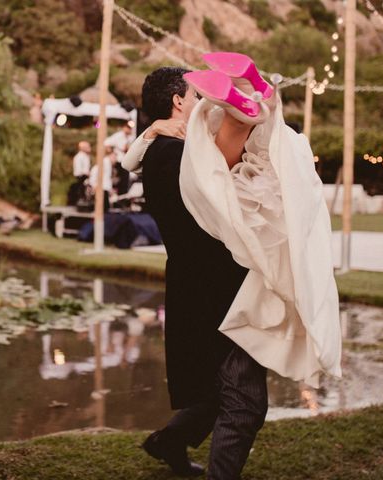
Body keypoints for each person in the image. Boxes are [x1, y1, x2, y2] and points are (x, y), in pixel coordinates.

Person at [127, 66, 268, 479]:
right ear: (178, 101)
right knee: (244, 403)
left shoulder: (174, 148)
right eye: (196, 95)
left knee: (211, 392)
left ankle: (168, 441)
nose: (205, 102)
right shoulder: (174, 154)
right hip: (214, 294)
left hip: (200, 289)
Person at [67, 141, 91, 206]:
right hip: (81, 176)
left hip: (84, 176)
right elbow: (78, 170)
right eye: (88, 146)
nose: (90, 148)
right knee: (81, 191)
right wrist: (86, 174)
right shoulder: (79, 157)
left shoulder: (85, 156)